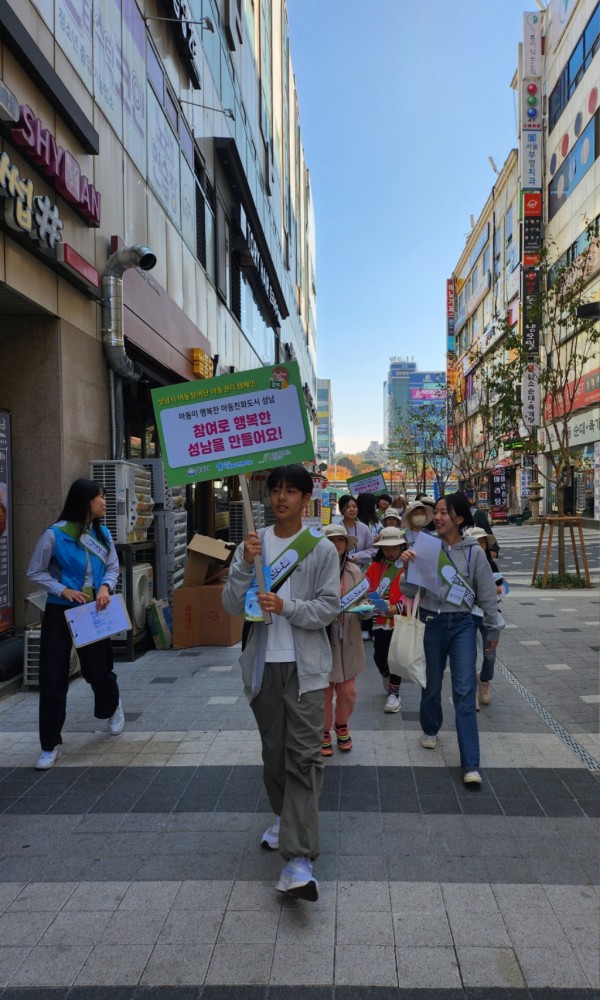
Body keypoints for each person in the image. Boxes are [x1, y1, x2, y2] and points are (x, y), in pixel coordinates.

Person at [221, 464, 339, 902]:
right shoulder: (255, 544)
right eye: (276, 490)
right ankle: (283, 816)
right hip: (263, 669)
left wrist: (286, 605)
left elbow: (328, 608)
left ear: (306, 499)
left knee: (304, 757)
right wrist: (242, 562)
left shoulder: (320, 549)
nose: (281, 498)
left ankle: (299, 859)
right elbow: (233, 603)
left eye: (291, 491)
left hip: (306, 671)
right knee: (274, 755)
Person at [401, 493, 501, 786]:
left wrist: (492, 631)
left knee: (463, 692)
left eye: (445, 512)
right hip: (431, 622)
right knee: (431, 684)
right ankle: (430, 728)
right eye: (437, 512)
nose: (438, 517)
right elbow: (408, 590)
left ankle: (471, 763)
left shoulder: (474, 552)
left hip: (462, 626)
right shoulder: (425, 546)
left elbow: (486, 596)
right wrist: (407, 564)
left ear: (459, 518)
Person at [26, 479, 123, 770]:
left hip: (92, 611)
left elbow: (112, 567)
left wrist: (106, 586)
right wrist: (61, 589)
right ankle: (50, 744)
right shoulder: (54, 535)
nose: (104, 503)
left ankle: (112, 707)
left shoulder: (103, 534)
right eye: (100, 498)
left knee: (98, 673)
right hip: (59, 613)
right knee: (53, 678)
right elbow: (35, 571)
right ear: (85, 502)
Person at [320, 523, 368, 756]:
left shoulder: (354, 571)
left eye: (340, 541)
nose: (336, 545)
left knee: (348, 690)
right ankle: (323, 731)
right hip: (323, 636)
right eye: (331, 541)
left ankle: (341, 724)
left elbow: (362, 601)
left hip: (348, 634)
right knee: (324, 690)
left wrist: (366, 609)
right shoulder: (315, 570)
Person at [365, 526, 408, 712]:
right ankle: (386, 676)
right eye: (386, 548)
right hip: (380, 620)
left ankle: (394, 693)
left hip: (399, 618)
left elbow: (414, 592)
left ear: (401, 547)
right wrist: (366, 600)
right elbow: (365, 587)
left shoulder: (409, 566)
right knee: (379, 655)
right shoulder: (375, 567)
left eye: (394, 548)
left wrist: (397, 607)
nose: (390, 552)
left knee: (396, 658)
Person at [463, 526, 502, 708]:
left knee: (490, 654)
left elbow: (501, 590)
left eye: (483, 541)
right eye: (476, 541)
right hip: (467, 614)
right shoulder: (461, 565)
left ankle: (485, 681)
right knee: (467, 653)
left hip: (486, 615)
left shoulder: (492, 565)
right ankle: (471, 693)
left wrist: (497, 591)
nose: (480, 545)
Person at [335, 495, 376, 569]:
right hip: (339, 569)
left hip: (360, 571)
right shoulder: (336, 528)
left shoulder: (364, 528)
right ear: (341, 510)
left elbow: (372, 550)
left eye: (354, 506)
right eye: (348, 507)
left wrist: (356, 557)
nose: (352, 509)